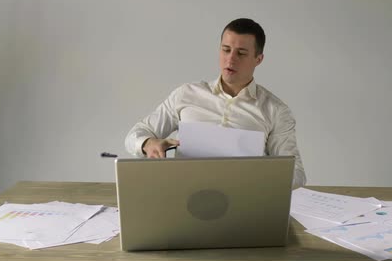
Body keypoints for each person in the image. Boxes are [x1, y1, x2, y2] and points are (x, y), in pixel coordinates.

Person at [124, 18, 306, 188]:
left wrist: (259, 171)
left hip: (244, 199)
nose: (231, 59)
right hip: (183, 193)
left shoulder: (276, 111)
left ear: (258, 59)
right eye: (226, 50)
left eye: (241, 53)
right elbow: (134, 135)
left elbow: (296, 175)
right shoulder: (186, 94)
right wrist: (148, 143)